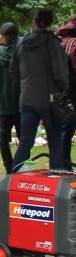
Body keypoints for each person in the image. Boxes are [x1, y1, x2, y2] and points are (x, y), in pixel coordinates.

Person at [10, 9, 69, 171]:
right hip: (50, 99)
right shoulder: (53, 43)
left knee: (26, 142)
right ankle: (56, 176)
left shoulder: (21, 43)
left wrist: (24, 87)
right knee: (55, 142)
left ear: (34, 22)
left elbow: (13, 72)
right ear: (50, 23)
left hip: (27, 98)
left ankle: (13, 177)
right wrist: (62, 90)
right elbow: (60, 73)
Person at [0, 23, 21, 174]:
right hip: (20, 101)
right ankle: (19, 166)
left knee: (3, 137)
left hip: (2, 101)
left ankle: (9, 168)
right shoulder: (21, 53)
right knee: (24, 137)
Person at [57, 15, 76, 169]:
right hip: (72, 93)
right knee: (67, 132)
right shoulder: (74, 43)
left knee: (64, 132)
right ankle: (65, 167)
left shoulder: (60, 41)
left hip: (59, 93)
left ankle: (62, 166)